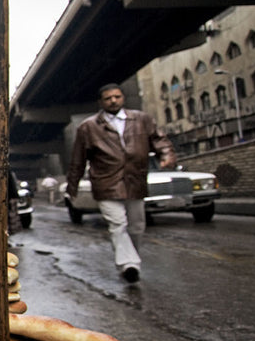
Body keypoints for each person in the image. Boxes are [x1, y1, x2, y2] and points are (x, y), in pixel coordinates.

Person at [66, 82, 176, 283]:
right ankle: (129, 265)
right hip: (105, 183)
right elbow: (78, 159)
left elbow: (160, 140)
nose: (113, 101)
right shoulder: (88, 127)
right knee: (118, 224)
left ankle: (131, 259)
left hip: (135, 181)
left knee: (136, 226)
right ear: (101, 102)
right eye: (108, 98)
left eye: (116, 97)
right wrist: (71, 186)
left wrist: (167, 155)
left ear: (123, 98)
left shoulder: (142, 119)